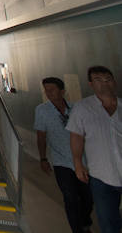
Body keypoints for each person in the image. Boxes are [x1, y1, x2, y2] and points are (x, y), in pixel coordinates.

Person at [67, 66, 122, 233]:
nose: (104, 84)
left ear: (114, 82)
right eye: (98, 80)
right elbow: (77, 136)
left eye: (108, 79)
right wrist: (78, 164)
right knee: (108, 222)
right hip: (101, 176)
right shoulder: (82, 108)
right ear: (91, 84)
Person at [35, 77, 93, 233]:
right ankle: (77, 230)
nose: (48, 93)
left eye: (52, 90)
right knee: (70, 198)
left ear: (62, 91)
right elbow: (41, 136)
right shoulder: (42, 110)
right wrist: (43, 158)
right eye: (46, 90)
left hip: (82, 161)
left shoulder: (76, 108)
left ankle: (85, 221)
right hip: (61, 162)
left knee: (88, 197)